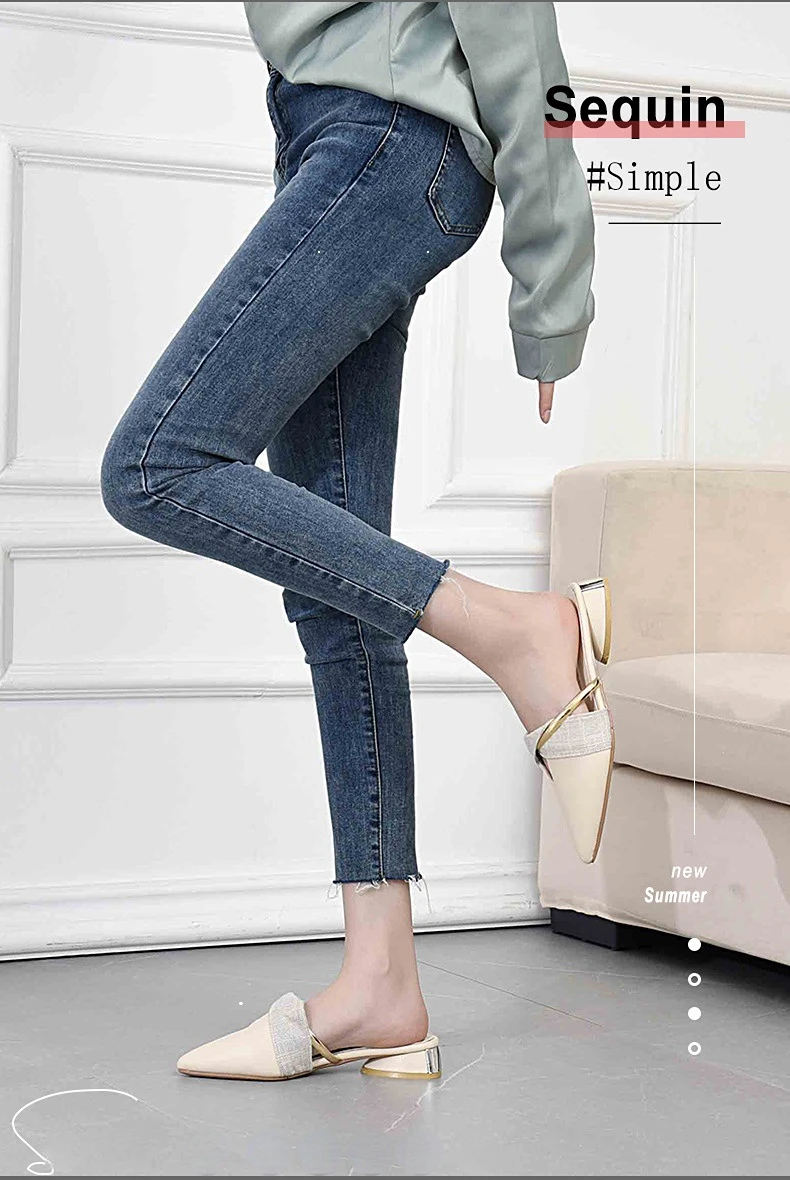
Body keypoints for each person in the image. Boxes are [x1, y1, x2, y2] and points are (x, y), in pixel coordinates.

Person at [99, 1, 614, 1084]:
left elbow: (517, 34)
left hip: (387, 141)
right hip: (334, 142)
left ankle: (520, 632)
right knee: (338, 588)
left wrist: (552, 289)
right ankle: (383, 983)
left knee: (155, 463)